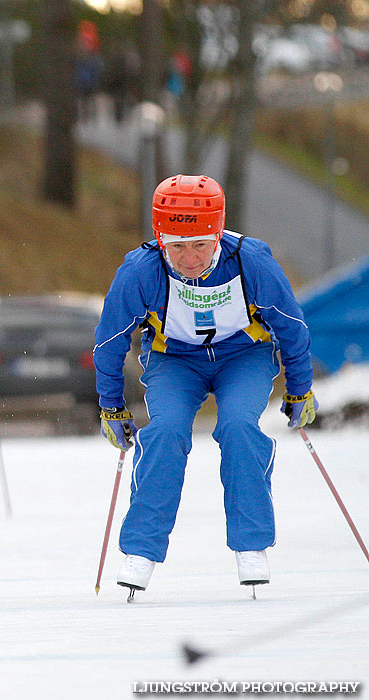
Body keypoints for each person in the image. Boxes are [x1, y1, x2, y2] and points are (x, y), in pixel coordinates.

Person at [93, 174, 316, 599]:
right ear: (161, 238)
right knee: (164, 432)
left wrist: (299, 388)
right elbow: (109, 341)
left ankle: (250, 545)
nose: (190, 258)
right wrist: (111, 406)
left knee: (238, 428)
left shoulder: (251, 260)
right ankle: (141, 551)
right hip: (175, 361)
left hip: (243, 358)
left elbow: (290, 326)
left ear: (217, 235)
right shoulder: (141, 271)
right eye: (177, 246)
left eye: (200, 245)